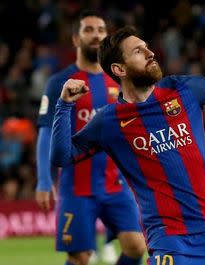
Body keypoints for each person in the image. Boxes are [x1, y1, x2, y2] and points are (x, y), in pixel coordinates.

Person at [50, 26, 205, 265]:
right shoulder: (109, 121)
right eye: (138, 51)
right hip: (173, 242)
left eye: (147, 47)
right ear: (119, 69)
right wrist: (64, 106)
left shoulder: (183, 89)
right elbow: (63, 156)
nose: (150, 53)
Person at [35, 12, 145, 265]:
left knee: (136, 246)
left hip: (116, 184)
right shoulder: (58, 83)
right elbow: (45, 133)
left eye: (101, 29)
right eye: (89, 29)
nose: (96, 34)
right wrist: (43, 179)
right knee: (80, 257)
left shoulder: (119, 80)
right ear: (76, 39)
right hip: (76, 187)